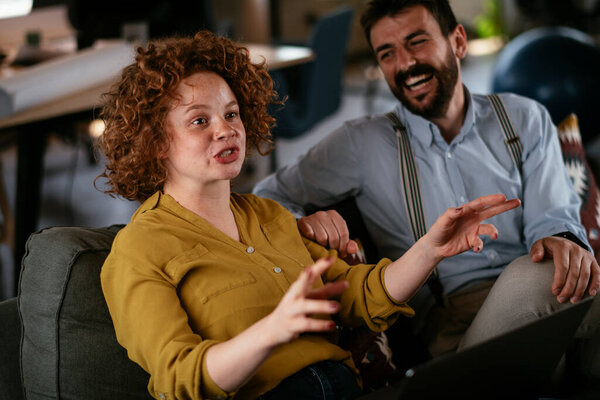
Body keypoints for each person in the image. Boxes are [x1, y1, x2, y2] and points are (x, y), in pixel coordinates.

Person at [96, 30, 519, 400]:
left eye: (231, 113)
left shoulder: (271, 215)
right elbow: (179, 378)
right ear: (154, 143)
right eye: (199, 121)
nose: (225, 129)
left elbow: (357, 294)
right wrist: (272, 330)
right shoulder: (139, 249)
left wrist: (430, 249)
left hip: (346, 386)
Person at [253, 0, 600, 383]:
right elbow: (266, 195)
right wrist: (307, 221)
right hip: (452, 327)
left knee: (557, 287)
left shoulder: (525, 117)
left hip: (548, 295)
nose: (404, 64)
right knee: (536, 278)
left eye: (416, 42)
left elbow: (554, 214)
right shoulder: (361, 143)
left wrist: (563, 239)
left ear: (459, 42)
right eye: (387, 53)